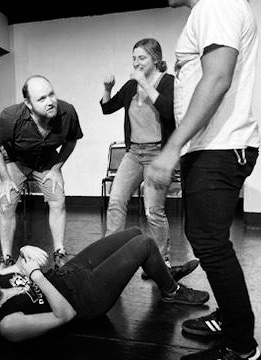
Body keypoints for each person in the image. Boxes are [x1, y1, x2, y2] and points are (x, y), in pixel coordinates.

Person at [148, 1, 261, 359]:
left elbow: (217, 78)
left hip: (220, 146)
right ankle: (229, 318)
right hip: (213, 145)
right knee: (205, 237)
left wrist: (171, 148)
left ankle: (243, 348)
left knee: (209, 241)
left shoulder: (216, 3)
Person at [0, 227, 210, 360]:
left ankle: (162, 272)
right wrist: (34, 273)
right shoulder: (7, 325)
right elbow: (65, 314)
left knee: (134, 232)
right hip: (84, 299)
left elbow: (20, 264)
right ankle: (171, 290)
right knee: (144, 244)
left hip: (68, 273)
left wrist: (26, 254)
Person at [100, 38, 199, 281]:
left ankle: (160, 263)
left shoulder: (168, 82)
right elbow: (107, 107)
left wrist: (145, 83)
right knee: (115, 202)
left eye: (141, 58)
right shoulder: (131, 85)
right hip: (134, 154)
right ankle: (109, 257)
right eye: (133, 58)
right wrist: (107, 88)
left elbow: (168, 111)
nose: (136, 62)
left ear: (156, 59)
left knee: (153, 211)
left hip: (157, 154)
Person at [0, 75, 83, 269]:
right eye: (41, 99)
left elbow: (71, 140)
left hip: (47, 161)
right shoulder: (11, 117)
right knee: (6, 203)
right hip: (16, 160)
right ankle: (6, 259)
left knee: (58, 199)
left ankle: (59, 252)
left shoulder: (67, 112)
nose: (50, 102)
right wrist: (5, 179)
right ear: (28, 104)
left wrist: (57, 168)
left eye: (51, 95)